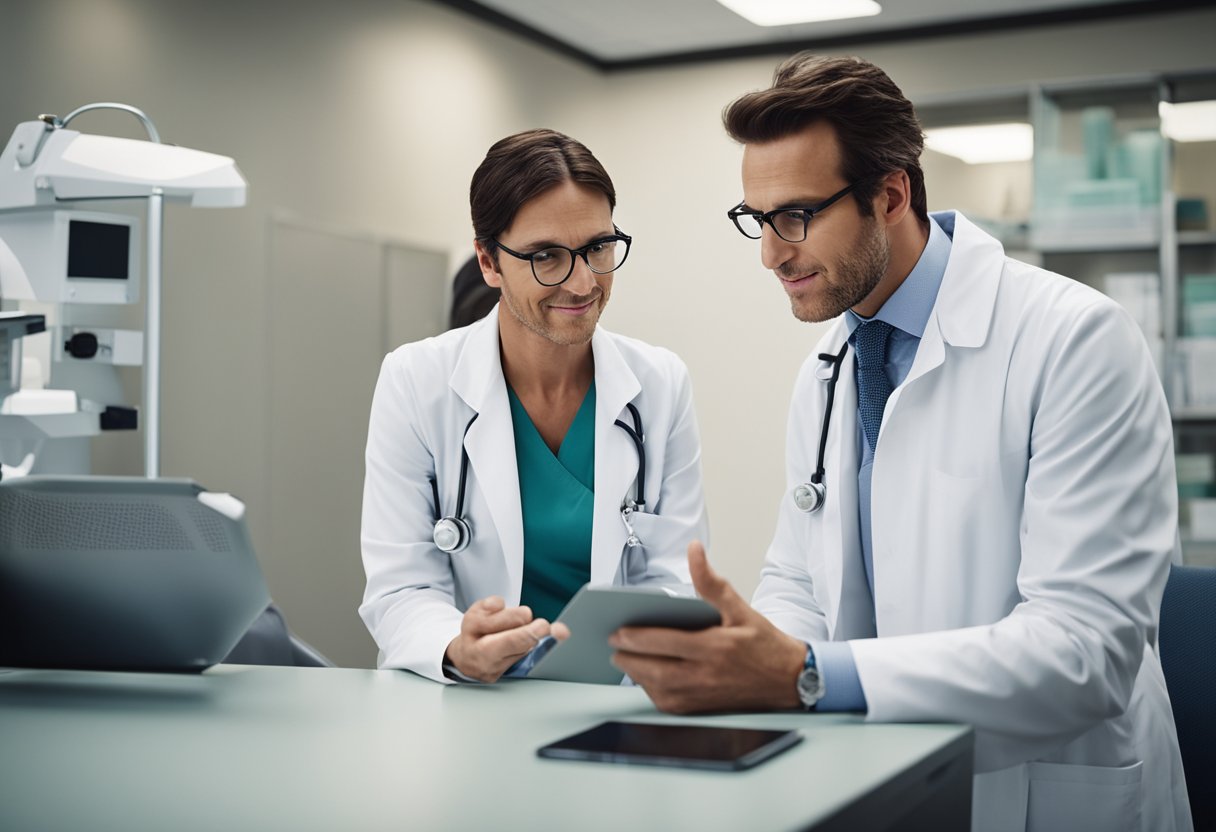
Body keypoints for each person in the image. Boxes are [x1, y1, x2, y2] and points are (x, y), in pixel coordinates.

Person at [609, 55, 1191, 832]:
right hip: (884, 778)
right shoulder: (830, 364)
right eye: (757, 219)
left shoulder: (1074, 341)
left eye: (797, 216)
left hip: (1043, 795)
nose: (771, 253)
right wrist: (742, 661)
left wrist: (807, 675)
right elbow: (802, 581)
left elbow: (1084, 654)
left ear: (890, 195)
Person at [360, 129, 708, 685]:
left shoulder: (659, 384)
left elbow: (670, 579)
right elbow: (400, 587)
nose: (582, 281)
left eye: (598, 247)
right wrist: (455, 645)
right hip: (462, 700)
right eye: (547, 256)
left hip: (608, 697)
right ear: (489, 262)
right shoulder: (415, 381)